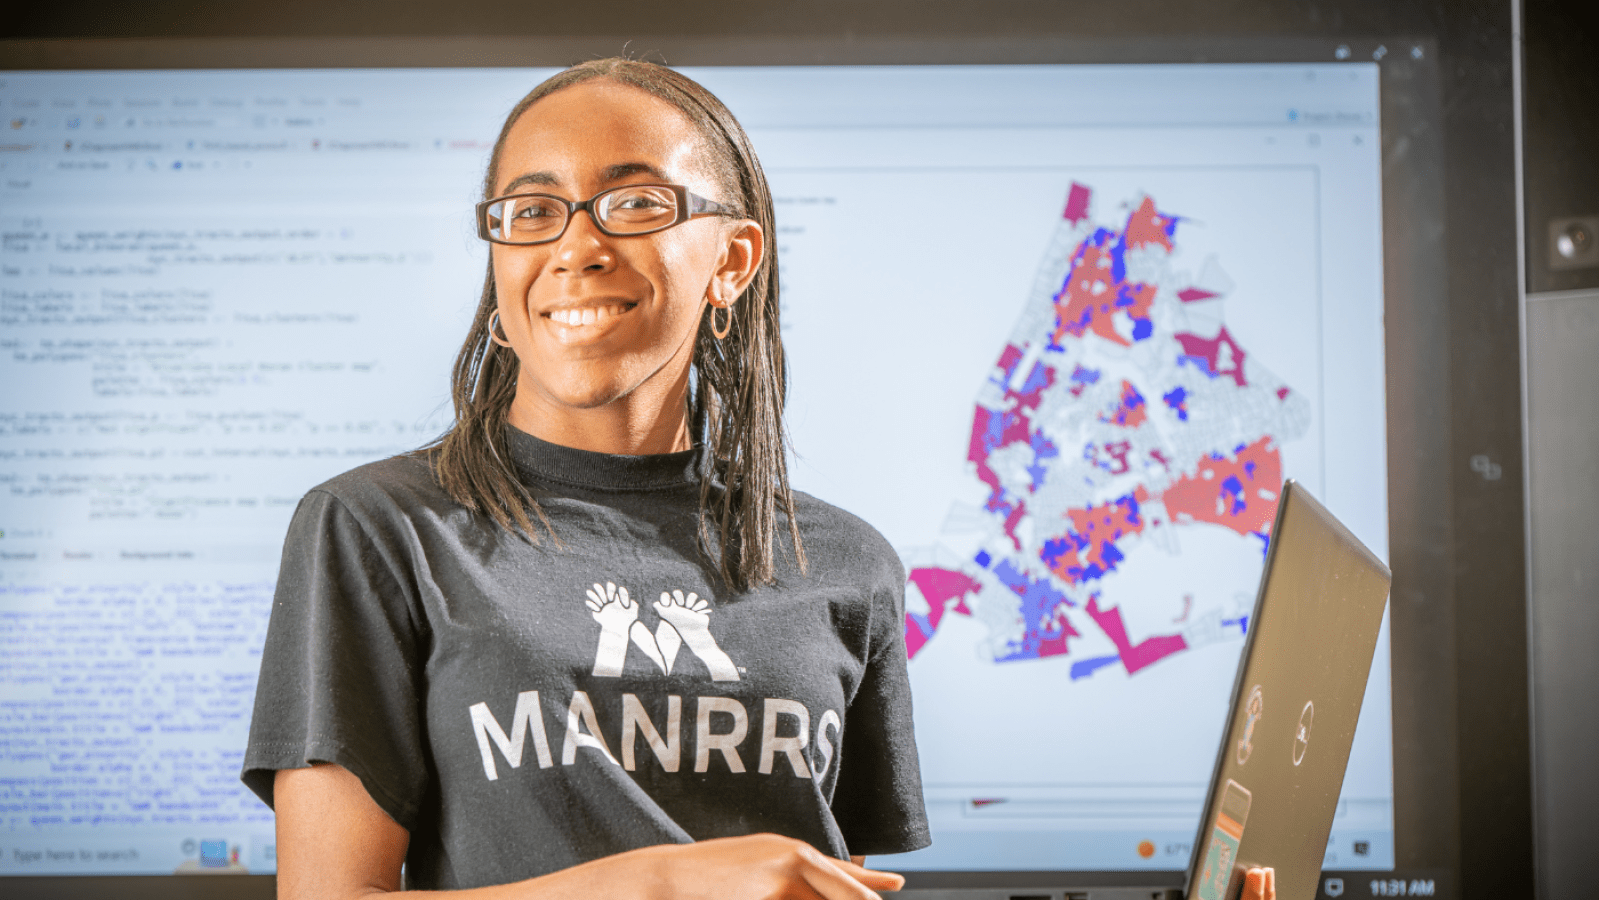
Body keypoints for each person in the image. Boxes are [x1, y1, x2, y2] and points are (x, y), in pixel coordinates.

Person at [241, 58, 1276, 900]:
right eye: (532, 211)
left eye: (634, 203)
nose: (576, 248)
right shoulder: (379, 528)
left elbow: (834, 887)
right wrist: (669, 885)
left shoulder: (843, 562)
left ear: (733, 260)